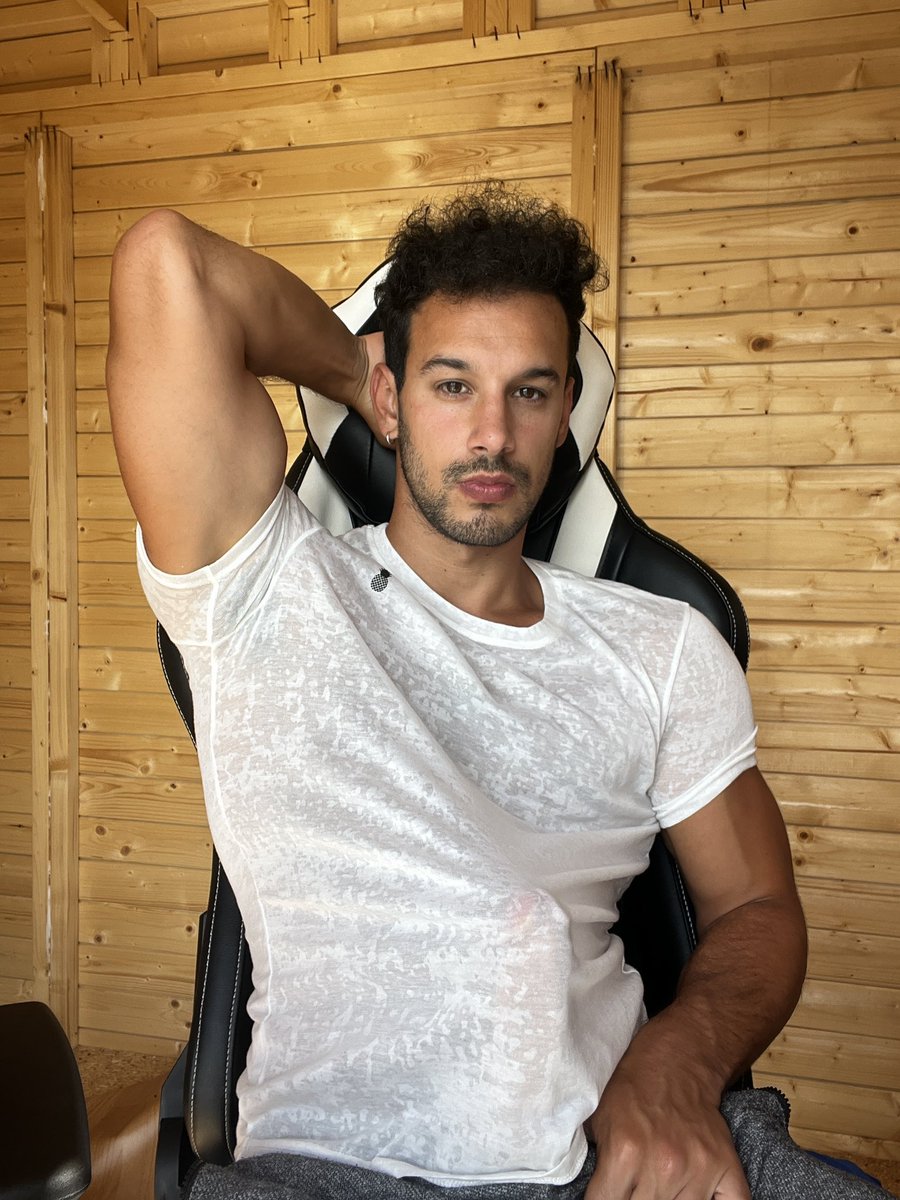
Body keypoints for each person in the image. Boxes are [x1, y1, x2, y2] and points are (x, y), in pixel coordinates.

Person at [107, 185, 826, 1200]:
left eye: (529, 392)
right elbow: (166, 263)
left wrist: (678, 1064)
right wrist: (359, 381)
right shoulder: (261, 583)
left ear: (565, 410)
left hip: (612, 1153)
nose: (492, 434)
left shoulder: (662, 644)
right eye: (452, 386)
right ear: (391, 395)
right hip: (327, 1174)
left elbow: (755, 904)